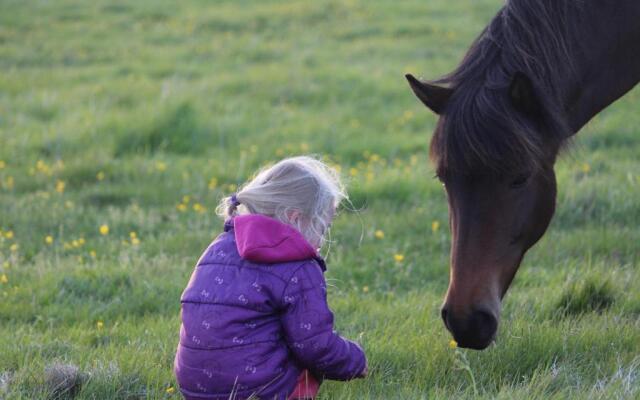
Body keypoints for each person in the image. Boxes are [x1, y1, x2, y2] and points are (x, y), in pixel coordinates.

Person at [174, 156, 367, 400]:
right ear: (295, 218)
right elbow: (316, 345)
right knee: (304, 353)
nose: (321, 240)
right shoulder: (298, 265)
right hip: (257, 392)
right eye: (322, 228)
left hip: (195, 389)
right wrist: (356, 361)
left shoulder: (221, 244)